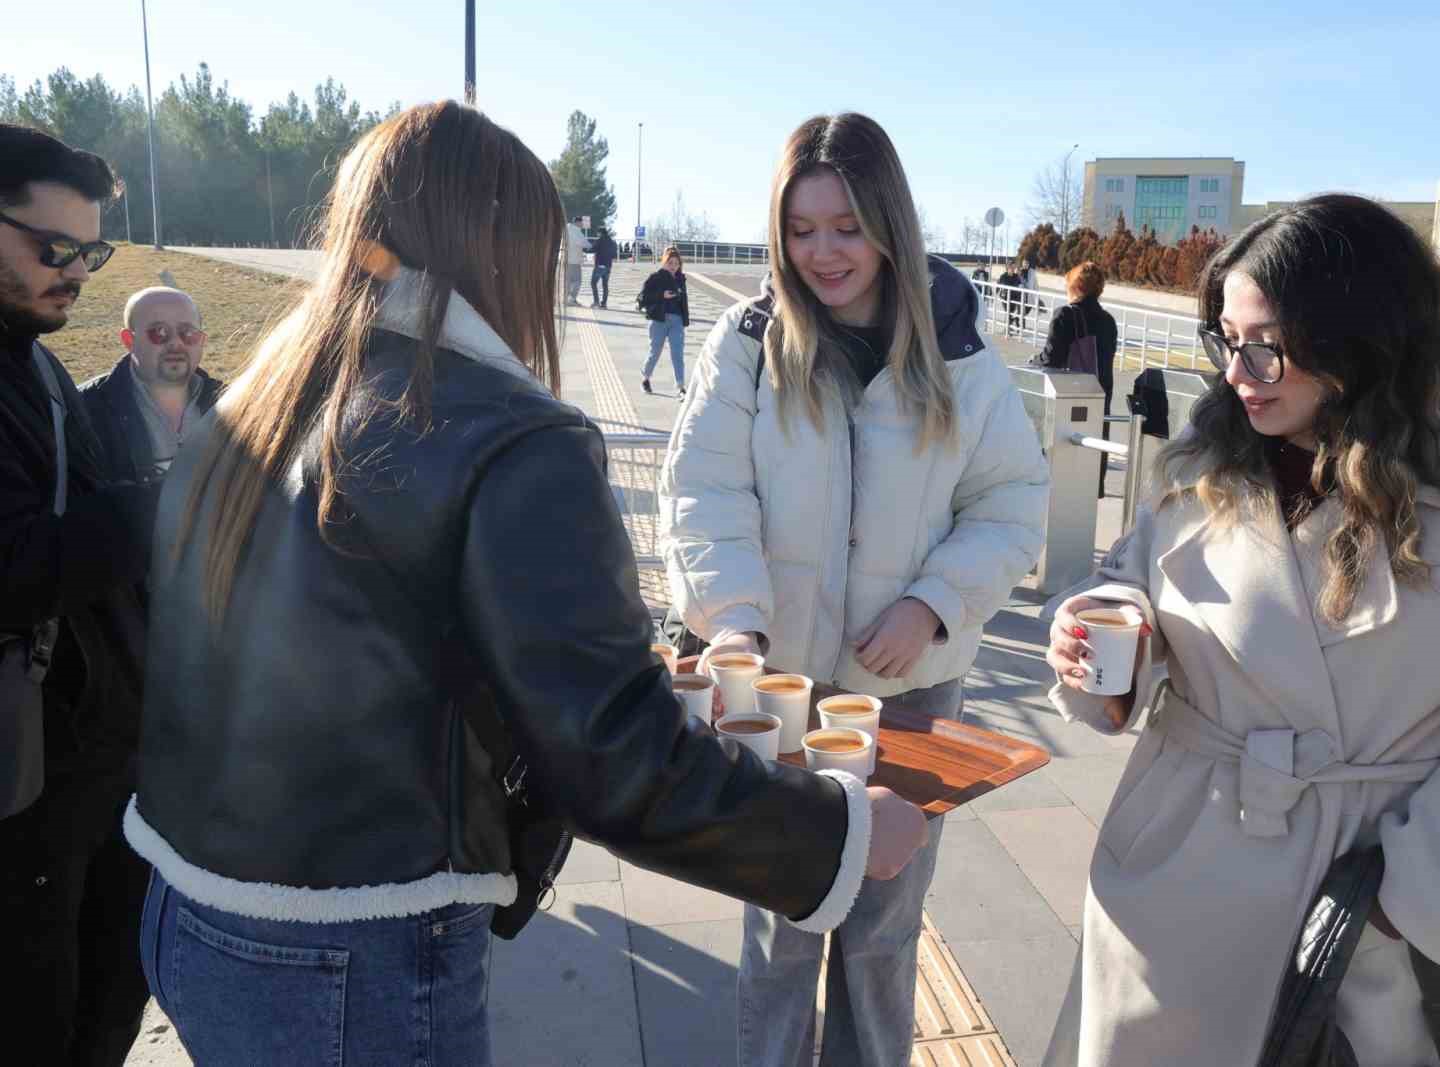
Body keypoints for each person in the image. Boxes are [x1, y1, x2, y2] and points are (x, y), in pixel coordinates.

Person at [127, 101, 929, 1066]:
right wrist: (838, 832)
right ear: (499, 248)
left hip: (185, 906)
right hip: (357, 944)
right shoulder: (515, 434)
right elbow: (614, 758)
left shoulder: (259, 393)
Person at [1042, 194, 1440, 1065]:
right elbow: (1133, 582)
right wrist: (1108, 640)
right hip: (1168, 885)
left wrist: (1409, 893)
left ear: (1360, 339)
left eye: (1265, 345)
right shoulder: (1206, 455)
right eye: (1226, 340)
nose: (1236, 371)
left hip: (1349, 910)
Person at [661, 112, 1048, 1067]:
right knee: (784, 927)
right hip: (784, 694)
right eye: (802, 229)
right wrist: (735, 626)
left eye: (846, 226)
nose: (823, 252)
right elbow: (705, 489)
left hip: (911, 693)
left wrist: (934, 603)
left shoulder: (960, 358)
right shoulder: (750, 343)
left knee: (883, 931)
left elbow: (1012, 502)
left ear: (889, 222)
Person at [0, 122, 158, 1066]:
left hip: (90, 767)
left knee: (107, 991)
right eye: (52, 249)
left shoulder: (36, 354)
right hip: (22, 789)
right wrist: (169, 505)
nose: (76, 272)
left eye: (89, 252)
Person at [79, 287, 223, 485]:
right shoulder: (86, 410)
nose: (176, 343)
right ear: (129, 340)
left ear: (202, 340)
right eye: (159, 332)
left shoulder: (234, 404)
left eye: (188, 333)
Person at [1034, 262, 1117, 495]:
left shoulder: (1065, 315)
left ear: (1074, 285)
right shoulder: (1108, 321)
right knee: (1087, 469)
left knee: (1061, 465)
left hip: (1067, 399)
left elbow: (1052, 359)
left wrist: (1034, 361)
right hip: (1099, 399)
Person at [638, 246, 690, 397]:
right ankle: (646, 379)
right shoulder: (655, 277)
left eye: (676, 263)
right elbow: (643, 298)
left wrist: (685, 319)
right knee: (655, 351)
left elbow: (683, 300)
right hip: (659, 319)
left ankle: (680, 387)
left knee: (677, 353)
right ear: (664, 262)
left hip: (677, 320)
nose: (673, 266)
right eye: (670, 263)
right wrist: (662, 295)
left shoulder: (681, 279)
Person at [590, 226, 618, 309]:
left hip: (599, 265)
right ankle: (604, 303)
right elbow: (614, 255)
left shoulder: (599, 241)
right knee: (605, 285)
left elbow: (592, 250)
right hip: (608, 266)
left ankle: (596, 302)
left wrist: (584, 249)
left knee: (593, 283)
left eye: (598, 233)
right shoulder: (612, 242)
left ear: (600, 233)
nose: (597, 234)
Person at [564, 215, 589, 304]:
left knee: (568, 281)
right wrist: (590, 246)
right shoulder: (576, 231)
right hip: (574, 260)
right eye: (581, 223)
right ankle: (571, 299)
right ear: (577, 222)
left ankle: (566, 299)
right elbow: (584, 243)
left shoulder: (566, 229)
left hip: (565, 259)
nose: (582, 225)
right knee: (577, 280)